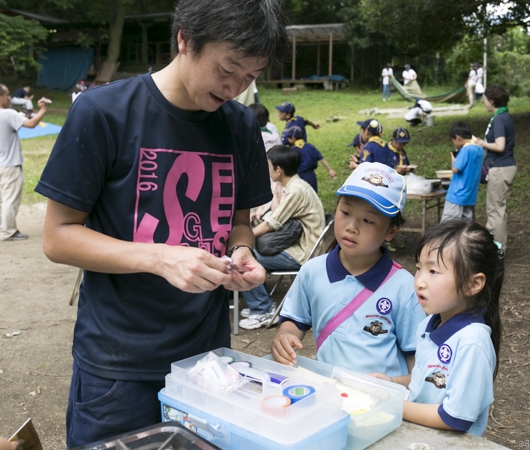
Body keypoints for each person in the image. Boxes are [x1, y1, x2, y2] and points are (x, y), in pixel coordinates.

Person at [33, 0, 289, 446]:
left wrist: (241, 252)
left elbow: (239, 224)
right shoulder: (103, 112)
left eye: (250, 76)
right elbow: (57, 238)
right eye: (227, 69)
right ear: (184, 39)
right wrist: (160, 258)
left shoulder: (240, 124)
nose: (234, 88)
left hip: (206, 362)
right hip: (118, 365)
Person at [271, 162, 424, 382]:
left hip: (381, 405)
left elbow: (418, 368)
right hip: (330, 398)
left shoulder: (404, 287)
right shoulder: (312, 271)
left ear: (391, 230)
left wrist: (391, 384)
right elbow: (295, 321)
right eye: (345, 212)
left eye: (368, 220)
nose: (351, 226)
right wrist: (285, 336)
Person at [400, 220, 504, 436]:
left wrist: (396, 407)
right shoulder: (428, 324)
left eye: (433, 271)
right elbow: (427, 379)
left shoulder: (472, 342)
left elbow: (455, 417)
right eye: (419, 268)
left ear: (473, 284)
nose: (419, 281)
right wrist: (390, 384)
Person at [239, 145, 325, 330]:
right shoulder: (296, 185)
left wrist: (244, 238)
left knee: (243, 257)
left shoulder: (296, 191)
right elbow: (278, 213)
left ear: (278, 170)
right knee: (246, 252)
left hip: (304, 252)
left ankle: (262, 309)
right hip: (300, 245)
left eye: (268, 166)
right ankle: (261, 304)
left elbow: (273, 223)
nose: (267, 170)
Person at [0, 84, 50, 241]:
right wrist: (43, 109)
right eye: (6, 95)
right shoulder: (7, 113)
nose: (9, 98)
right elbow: (31, 124)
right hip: (9, 164)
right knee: (10, 199)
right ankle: (7, 231)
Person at [474, 85, 516, 250]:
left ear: (492, 101)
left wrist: (481, 143)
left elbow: (500, 146)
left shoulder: (499, 119)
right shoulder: (505, 116)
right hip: (505, 167)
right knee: (499, 209)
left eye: (485, 99)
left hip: (500, 168)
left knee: (494, 210)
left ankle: (497, 250)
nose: (483, 102)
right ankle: (499, 246)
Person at [440, 122, 484, 223]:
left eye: (453, 141)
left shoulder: (465, 150)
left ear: (458, 137)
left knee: (447, 228)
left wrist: (453, 159)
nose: (454, 144)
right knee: (464, 229)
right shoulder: (479, 149)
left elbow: (455, 169)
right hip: (469, 196)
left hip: (456, 196)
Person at [286, 125, 336, 192]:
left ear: (293, 138)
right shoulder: (310, 146)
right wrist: (330, 170)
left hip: (299, 176)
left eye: (288, 137)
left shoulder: (292, 150)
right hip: (311, 176)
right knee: (313, 195)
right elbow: (322, 158)